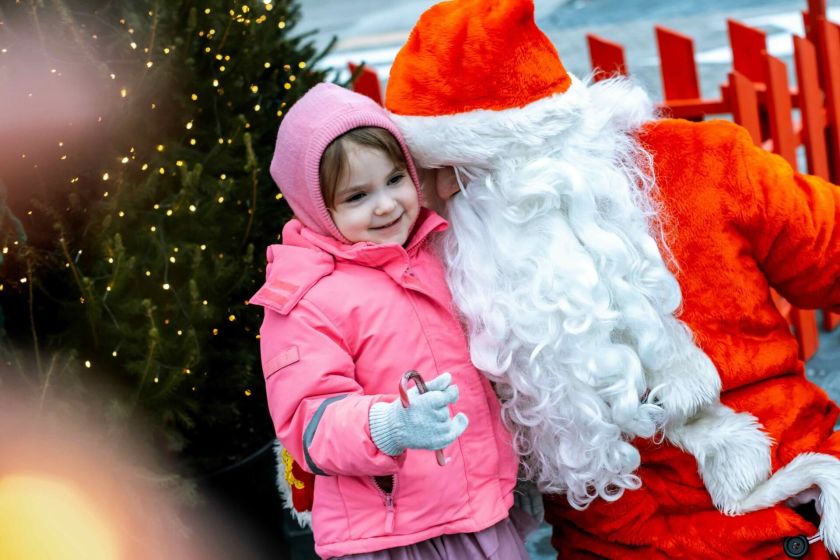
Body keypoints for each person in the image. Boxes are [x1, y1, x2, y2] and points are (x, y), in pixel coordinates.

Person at [383, 0, 840, 557]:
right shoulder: (437, 256)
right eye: (424, 175)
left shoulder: (706, 165)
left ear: (539, 152)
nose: (443, 195)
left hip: (792, 517)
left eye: (462, 173)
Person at [249, 83, 526, 559]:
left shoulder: (438, 253)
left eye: (395, 180)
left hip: (480, 512)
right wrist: (391, 425)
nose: (385, 205)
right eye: (357, 195)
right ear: (316, 206)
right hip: (393, 534)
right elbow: (309, 423)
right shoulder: (305, 300)